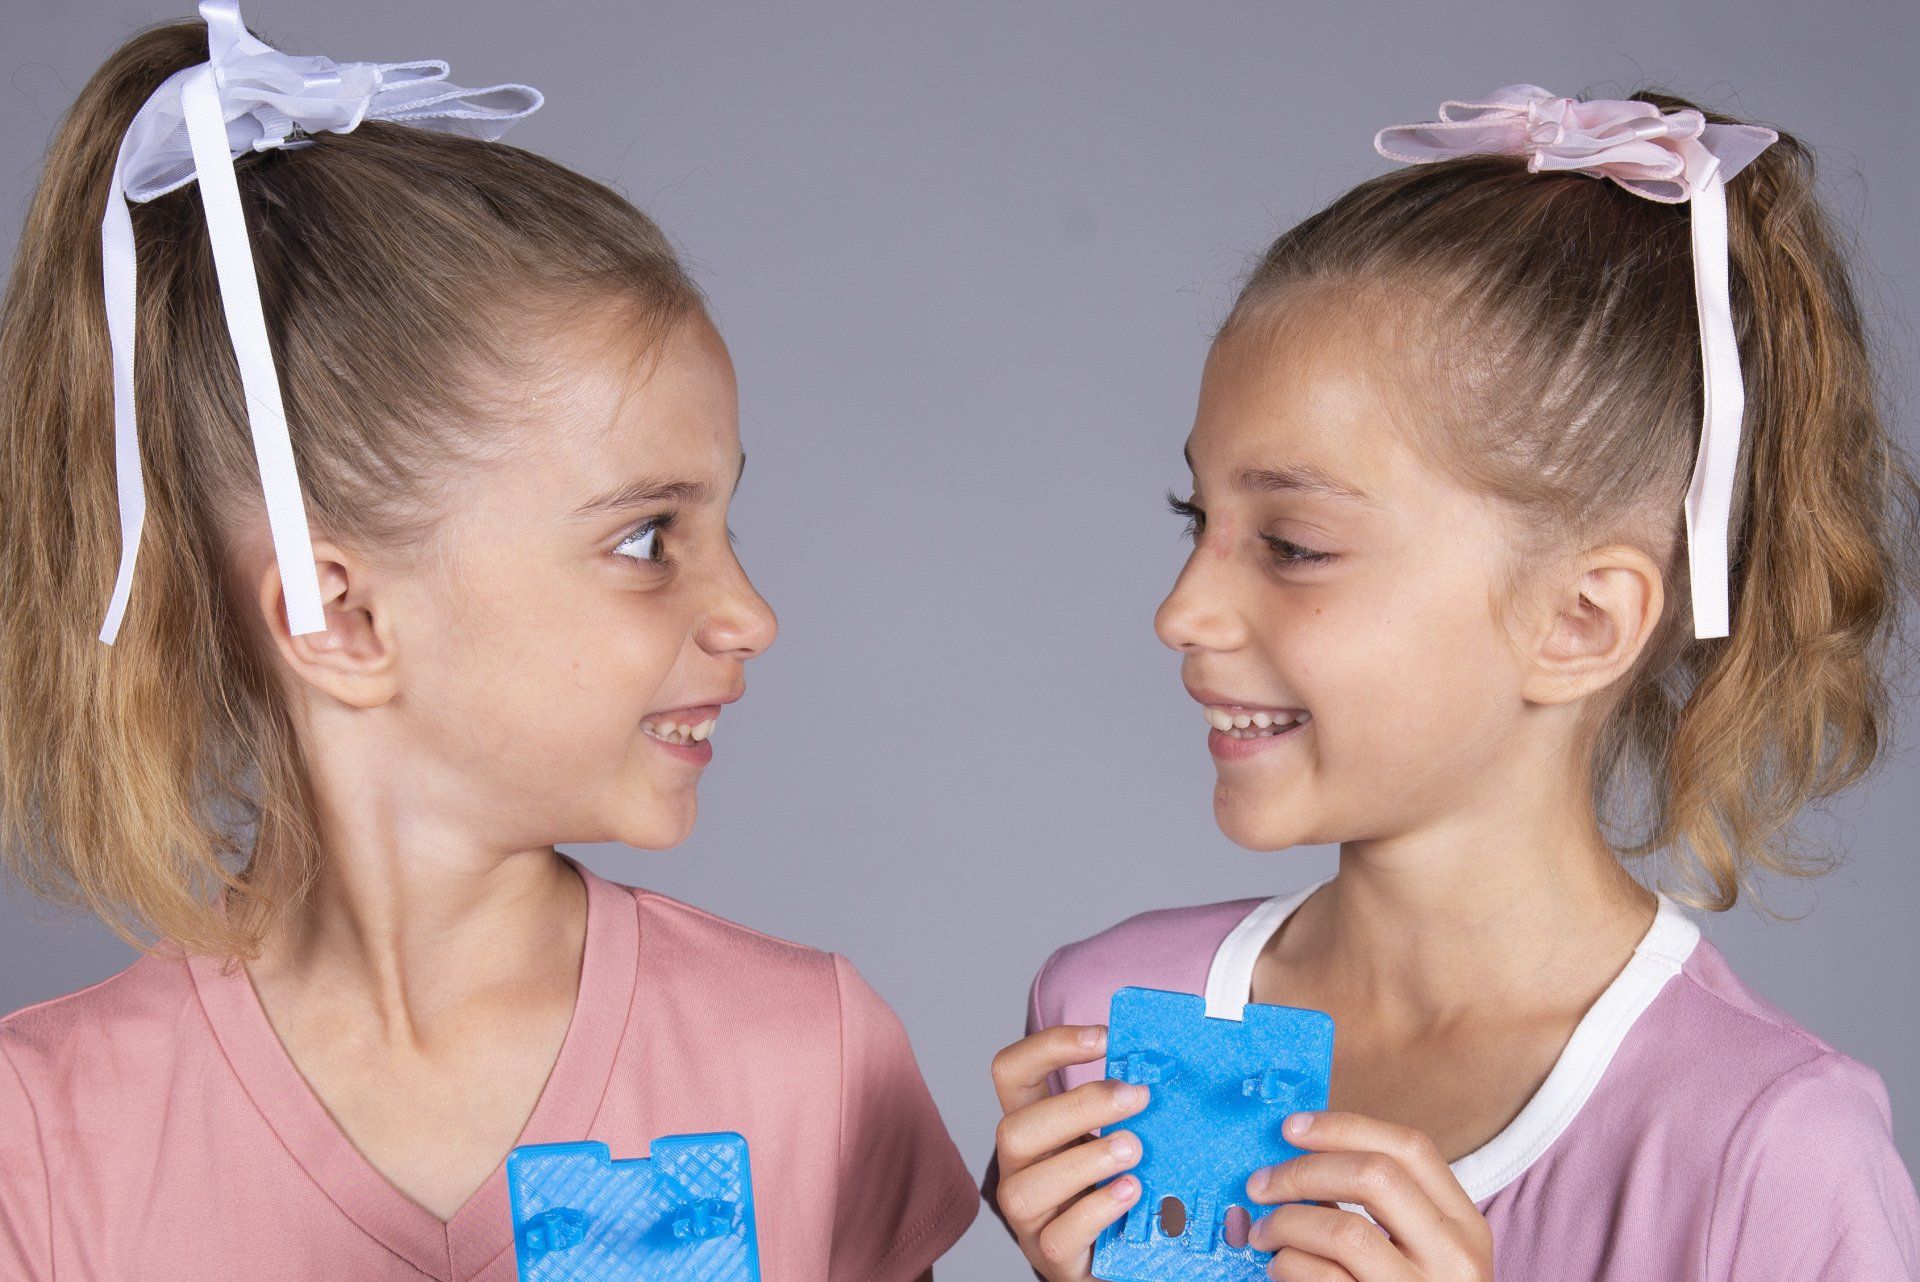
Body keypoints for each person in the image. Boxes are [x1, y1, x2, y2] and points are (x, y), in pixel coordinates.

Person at [0, 5, 976, 1278]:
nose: (751, 613)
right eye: (646, 539)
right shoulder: (42, 1137)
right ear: (335, 618)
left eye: (722, 519)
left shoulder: (811, 1060)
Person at [984, 84, 1920, 1280]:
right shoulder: (1109, 1014)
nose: (1181, 610)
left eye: (1293, 545)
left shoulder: (1768, 1150)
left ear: (1580, 621)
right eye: (1195, 518)